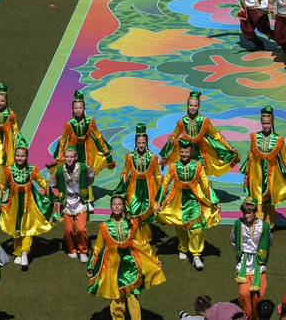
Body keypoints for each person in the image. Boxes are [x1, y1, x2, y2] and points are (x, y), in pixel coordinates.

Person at [87, 193, 165, 320]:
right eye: (114, 205)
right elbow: (98, 248)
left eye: (119, 204)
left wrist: (154, 259)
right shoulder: (105, 226)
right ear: (111, 207)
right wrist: (92, 265)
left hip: (130, 266)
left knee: (133, 297)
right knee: (116, 298)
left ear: (123, 207)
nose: (117, 207)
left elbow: (142, 243)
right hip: (112, 268)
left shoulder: (131, 224)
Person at [156, 137, 219, 270]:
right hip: (177, 201)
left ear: (191, 152)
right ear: (179, 152)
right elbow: (165, 183)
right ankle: (183, 248)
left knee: (196, 227)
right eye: (182, 152)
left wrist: (214, 200)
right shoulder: (173, 166)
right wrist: (159, 201)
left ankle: (196, 254)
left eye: (187, 152)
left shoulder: (197, 166)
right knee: (181, 226)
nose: (184, 154)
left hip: (194, 200)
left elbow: (205, 183)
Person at [243, 107, 286, 224]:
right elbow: (250, 156)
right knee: (257, 200)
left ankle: (269, 225)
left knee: (269, 201)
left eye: (268, 123)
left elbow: (285, 158)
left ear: (272, 123)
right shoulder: (255, 137)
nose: (266, 126)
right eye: (264, 123)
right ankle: (257, 224)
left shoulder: (278, 139)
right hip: (257, 175)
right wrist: (247, 173)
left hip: (272, 175)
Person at [230, 197, 272, 316]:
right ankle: (246, 317)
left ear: (255, 212)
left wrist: (261, 254)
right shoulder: (238, 224)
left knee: (259, 296)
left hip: (259, 263)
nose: (246, 215)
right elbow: (233, 239)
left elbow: (269, 241)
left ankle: (256, 317)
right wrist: (240, 252)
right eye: (244, 213)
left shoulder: (264, 226)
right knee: (244, 294)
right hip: (243, 263)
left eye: (249, 213)